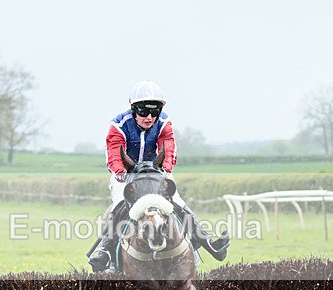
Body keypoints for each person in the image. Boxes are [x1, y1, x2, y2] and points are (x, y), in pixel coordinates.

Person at [88, 80, 229, 271]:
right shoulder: (118, 125)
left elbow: (168, 149)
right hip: (127, 176)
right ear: (133, 109)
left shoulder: (164, 123)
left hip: (156, 175)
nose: (149, 117)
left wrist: (165, 170)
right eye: (144, 112)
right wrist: (121, 172)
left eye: (154, 112)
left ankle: (210, 244)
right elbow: (114, 154)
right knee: (120, 204)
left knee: (178, 202)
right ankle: (105, 251)